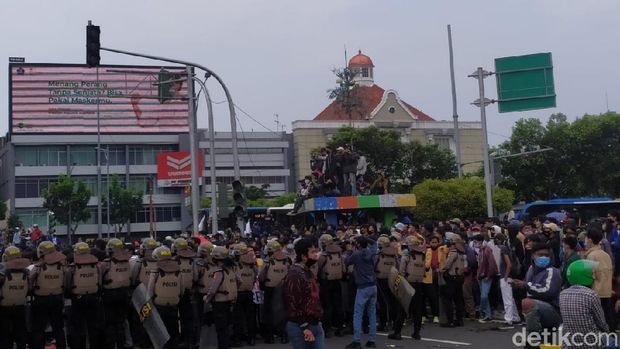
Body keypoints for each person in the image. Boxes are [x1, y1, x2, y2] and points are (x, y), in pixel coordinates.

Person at [512, 243, 562, 349]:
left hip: (552, 310)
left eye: (546, 255)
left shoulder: (553, 271)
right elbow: (529, 288)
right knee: (525, 302)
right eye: (540, 254)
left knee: (527, 303)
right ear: (533, 256)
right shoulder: (531, 269)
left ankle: (534, 339)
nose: (544, 257)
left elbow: (548, 292)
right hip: (537, 308)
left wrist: (525, 285)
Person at [284, 238, 325, 349]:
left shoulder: (307, 271)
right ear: (303, 256)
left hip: (315, 323)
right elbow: (293, 303)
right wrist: (304, 326)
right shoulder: (295, 274)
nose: (316, 255)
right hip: (300, 326)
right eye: (312, 252)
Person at [560, 259, 609, 349]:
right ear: (585, 276)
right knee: (614, 342)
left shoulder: (562, 294)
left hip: (570, 343)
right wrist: (607, 332)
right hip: (592, 343)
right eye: (591, 274)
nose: (594, 277)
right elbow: (602, 324)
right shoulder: (591, 295)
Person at [30, 241, 67, 349]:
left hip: (40, 300)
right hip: (57, 299)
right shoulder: (62, 267)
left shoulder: (37, 267)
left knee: (39, 329)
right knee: (58, 328)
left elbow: (30, 284)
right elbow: (65, 284)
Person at [65, 242, 101, 349]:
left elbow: (67, 286)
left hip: (77, 300)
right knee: (92, 326)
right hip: (93, 298)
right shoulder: (96, 266)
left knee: (77, 328)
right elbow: (99, 284)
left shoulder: (72, 268)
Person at [203, 246, 239, 349]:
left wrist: (207, 298)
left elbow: (213, 289)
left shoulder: (219, 272)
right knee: (227, 327)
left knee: (221, 329)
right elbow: (239, 281)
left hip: (219, 303)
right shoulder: (232, 269)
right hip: (230, 301)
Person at [345, 236, 377, 349]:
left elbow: (347, 261)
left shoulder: (356, 254)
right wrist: (365, 238)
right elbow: (374, 243)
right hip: (373, 285)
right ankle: (372, 340)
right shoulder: (372, 252)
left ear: (358, 244)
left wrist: (350, 248)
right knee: (372, 313)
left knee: (358, 314)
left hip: (362, 287)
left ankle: (356, 341)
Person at [147, 246, 183, 349]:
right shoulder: (178, 270)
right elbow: (182, 289)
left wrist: (148, 302)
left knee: (160, 331)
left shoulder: (155, 271)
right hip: (174, 305)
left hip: (159, 305)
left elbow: (150, 289)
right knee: (173, 330)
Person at [100, 238, 131, 349]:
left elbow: (99, 281)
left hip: (109, 295)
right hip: (124, 294)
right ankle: (122, 345)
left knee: (110, 324)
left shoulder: (105, 264)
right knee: (121, 322)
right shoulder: (128, 262)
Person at [258, 240, 291, 344]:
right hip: (284, 288)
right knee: (284, 311)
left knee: (268, 312)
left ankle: (270, 336)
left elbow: (261, 276)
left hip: (270, 289)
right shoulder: (287, 260)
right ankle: (284, 335)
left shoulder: (268, 261)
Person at [584, 226, 615, 332]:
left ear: (590, 240)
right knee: (607, 318)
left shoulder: (591, 256)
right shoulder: (606, 255)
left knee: (598, 321)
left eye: (586, 238)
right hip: (606, 291)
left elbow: (589, 276)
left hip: (595, 292)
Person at [374, 235, 404, 339]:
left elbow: (373, 266)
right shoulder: (394, 255)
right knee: (391, 301)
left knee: (383, 301)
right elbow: (398, 266)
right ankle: (392, 321)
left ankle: (384, 323)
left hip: (380, 279)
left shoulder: (378, 255)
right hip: (391, 278)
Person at [0, 246, 30, 349]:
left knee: (4, 334)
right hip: (20, 306)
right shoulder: (26, 272)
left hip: (3, 307)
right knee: (20, 333)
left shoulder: (2, 273)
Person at [317, 234, 345, 338]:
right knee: (338, 305)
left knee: (327, 306)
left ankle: (327, 330)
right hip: (337, 282)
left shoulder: (323, 256)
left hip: (325, 283)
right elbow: (344, 269)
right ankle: (340, 329)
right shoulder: (339, 254)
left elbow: (317, 270)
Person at [172, 238, 197, 349]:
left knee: (175, 318)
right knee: (188, 317)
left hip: (175, 292)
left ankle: (178, 340)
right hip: (188, 292)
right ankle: (190, 340)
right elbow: (196, 276)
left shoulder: (172, 261)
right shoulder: (192, 261)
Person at [400, 235, 426, 339]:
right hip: (419, 283)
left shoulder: (407, 254)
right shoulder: (422, 255)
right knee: (417, 310)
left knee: (402, 308)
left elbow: (402, 269)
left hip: (408, 283)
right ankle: (417, 332)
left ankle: (397, 331)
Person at [232, 243, 259, 346]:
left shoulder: (235, 265)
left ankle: (238, 339)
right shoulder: (253, 264)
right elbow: (256, 276)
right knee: (250, 316)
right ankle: (251, 339)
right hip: (249, 292)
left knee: (237, 317)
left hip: (238, 293)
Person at [439, 233, 467, 327]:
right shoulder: (462, 252)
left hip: (452, 278)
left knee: (448, 300)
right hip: (460, 277)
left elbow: (447, 265)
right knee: (458, 299)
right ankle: (459, 320)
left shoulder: (453, 252)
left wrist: (440, 269)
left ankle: (450, 320)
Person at [494, 233, 521, 325]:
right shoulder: (507, 248)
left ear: (498, 240)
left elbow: (508, 264)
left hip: (505, 276)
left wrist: (505, 276)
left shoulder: (503, 249)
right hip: (509, 276)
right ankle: (515, 317)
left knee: (507, 299)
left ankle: (508, 319)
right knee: (510, 298)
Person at [194, 242, 216, 349]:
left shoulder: (198, 264)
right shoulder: (218, 263)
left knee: (200, 318)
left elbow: (195, 278)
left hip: (201, 293)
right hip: (215, 294)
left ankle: (200, 341)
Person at [474, 234, 497, 323]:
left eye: (475, 241)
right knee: (484, 296)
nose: (475, 243)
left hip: (486, 276)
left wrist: (489, 275)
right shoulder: (481, 250)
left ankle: (483, 310)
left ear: (480, 241)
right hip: (481, 276)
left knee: (484, 296)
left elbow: (491, 263)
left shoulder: (486, 249)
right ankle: (487, 314)